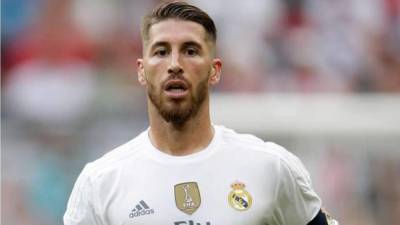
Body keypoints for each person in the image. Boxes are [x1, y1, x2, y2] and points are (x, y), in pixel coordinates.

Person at [64, 1, 339, 225]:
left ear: (215, 70)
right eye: (161, 51)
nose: (174, 64)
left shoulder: (270, 167)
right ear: (141, 70)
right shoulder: (101, 181)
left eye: (190, 51)